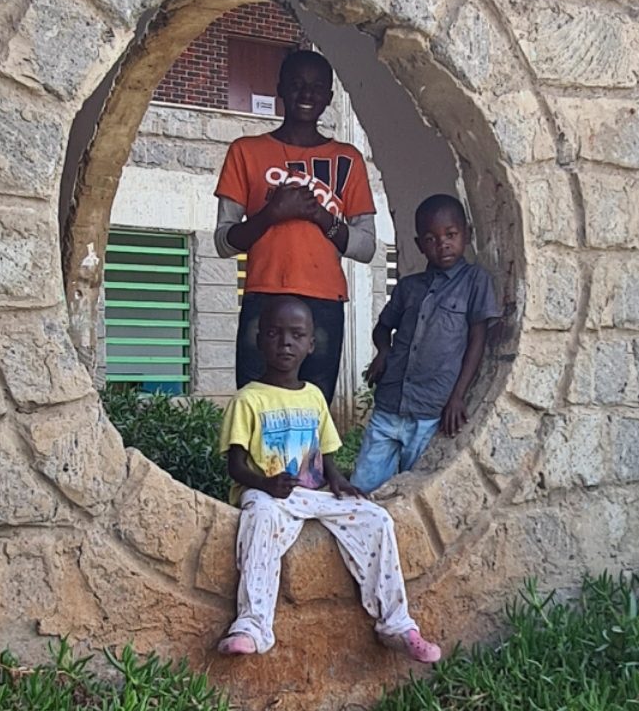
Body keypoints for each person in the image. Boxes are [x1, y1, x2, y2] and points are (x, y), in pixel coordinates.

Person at [216, 295, 441, 663]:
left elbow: (326, 453)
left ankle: (396, 624)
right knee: (258, 519)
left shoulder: (315, 397)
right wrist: (266, 484)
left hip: (313, 494)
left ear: (311, 344)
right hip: (267, 494)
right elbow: (236, 466)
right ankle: (252, 626)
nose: (285, 343)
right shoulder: (248, 400)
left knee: (377, 519)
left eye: (296, 335)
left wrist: (337, 481)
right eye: (274, 333)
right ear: (259, 340)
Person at [214, 49, 376, 403]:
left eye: (317, 88)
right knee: (255, 403)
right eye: (297, 84)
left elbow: (366, 247)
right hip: (264, 295)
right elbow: (224, 241)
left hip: (324, 301)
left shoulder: (348, 159)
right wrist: (272, 214)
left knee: (313, 406)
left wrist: (320, 216)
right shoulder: (246, 152)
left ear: (329, 97)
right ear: (280, 89)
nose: (306, 94)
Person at [351, 194, 499, 495]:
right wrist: (383, 352)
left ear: (467, 234)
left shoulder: (474, 282)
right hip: (390, 404)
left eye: (451, 235)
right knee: (363, 487)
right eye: (431, 239)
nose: (442, 244)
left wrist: (458, 397)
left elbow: (477, 341)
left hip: (431, 412)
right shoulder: (408, 287)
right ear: (419, 245)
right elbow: (383, 327)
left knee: (416, 492)